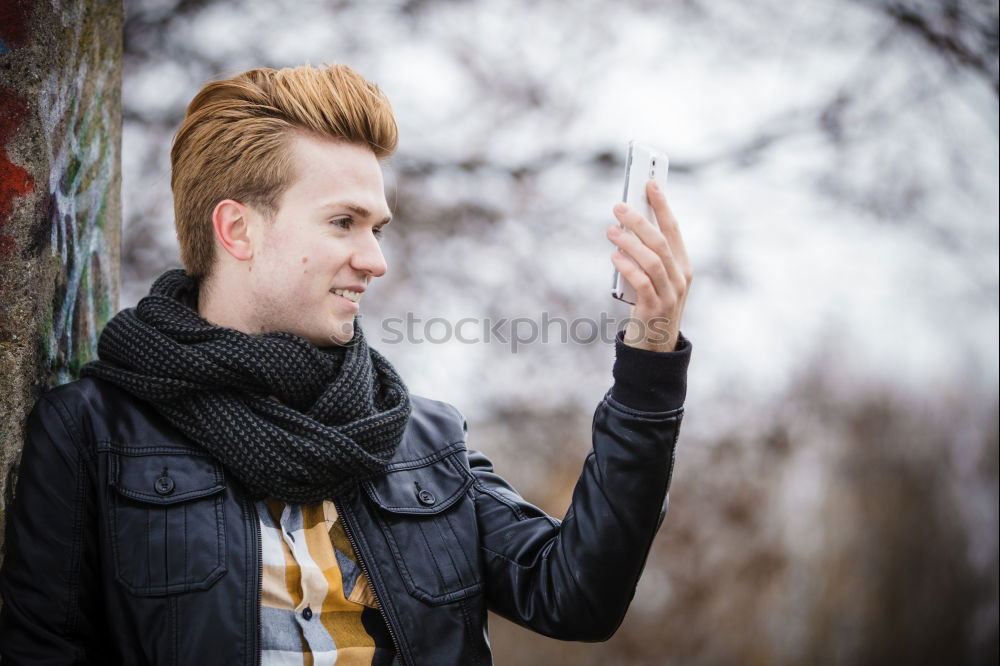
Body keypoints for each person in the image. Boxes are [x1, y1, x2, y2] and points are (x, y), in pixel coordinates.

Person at [0, 63, 693, 665]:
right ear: (237, 229)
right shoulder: (91, 434)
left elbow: (576, 597)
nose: (376, 259)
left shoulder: (422, 440)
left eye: (378, 228)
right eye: (344, 223)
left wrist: (651, 354)